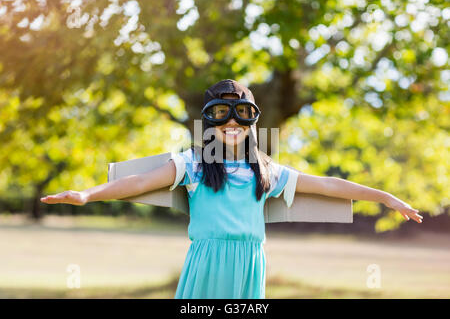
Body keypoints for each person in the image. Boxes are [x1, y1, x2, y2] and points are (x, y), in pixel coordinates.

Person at [40, 79, 423, 299]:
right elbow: (138, 182)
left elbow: (325, 185)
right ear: (210, 122)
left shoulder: (266, 171)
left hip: (250, 263)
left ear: (252, 122)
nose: (232, 125)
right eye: (222, 116)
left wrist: (384, 197)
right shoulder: (193, 163)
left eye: (242, 116)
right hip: (207, 261)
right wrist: (88, 194)